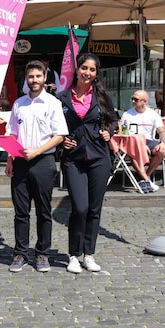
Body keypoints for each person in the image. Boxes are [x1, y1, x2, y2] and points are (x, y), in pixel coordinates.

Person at [56, 53, 117, 274]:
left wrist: (109, 132)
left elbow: (113, 120)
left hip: (99, 157)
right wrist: (62, 140)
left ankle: (88, 254)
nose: (87, 73)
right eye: (84, 68)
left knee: (94, 209)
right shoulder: (62, 98)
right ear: (77, 69)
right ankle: (73, 255)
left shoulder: (102, 98)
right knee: (79, 208)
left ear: (96, 73)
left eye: (92, 70)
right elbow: (53, 126)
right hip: (73, 159)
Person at [7, 60, 69, 273]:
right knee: (20, 211)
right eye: (31, 76)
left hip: (44, 162)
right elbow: (13, 133)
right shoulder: (19, 104)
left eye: (38, 76)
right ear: (26, 78)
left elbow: (60, 135)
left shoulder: (53, 103)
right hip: (20, 161)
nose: (34, 80)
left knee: (43, 210)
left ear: (45, 78)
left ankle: (42, 253)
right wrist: (9, 160)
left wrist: (37, 151)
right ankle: (20, 253)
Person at [120, 90, 165, 193]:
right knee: (135, 151)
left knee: (161, 151)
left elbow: (162, 131)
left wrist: (163, 143)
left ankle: (146, 177)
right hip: (133, 140)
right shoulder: (127, 115)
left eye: (135, 99)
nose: (133, 101)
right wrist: (140, 144)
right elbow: (124, 133)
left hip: (149, 141)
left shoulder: (153, 114)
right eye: (132, 98)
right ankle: (146, 180)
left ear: (144, 101)